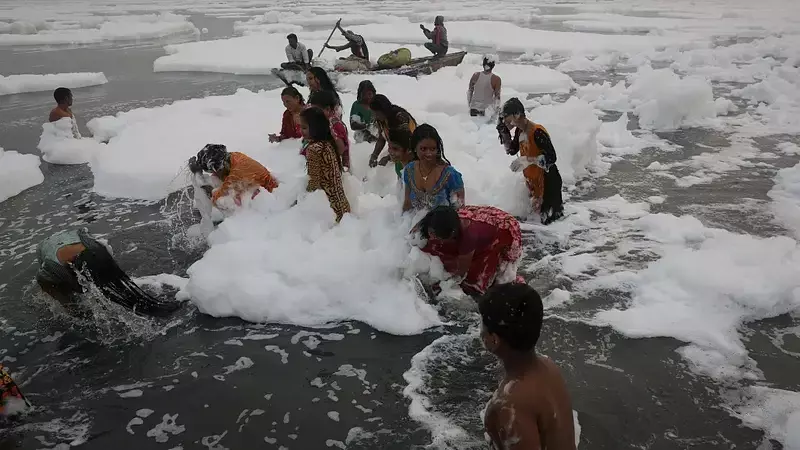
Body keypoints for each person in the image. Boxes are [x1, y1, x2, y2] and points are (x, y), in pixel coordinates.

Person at [480, 283, 576, 450]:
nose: (480, 331)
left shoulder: (509, 406)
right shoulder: (548, 367)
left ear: (494, 340)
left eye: (482, 326)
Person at [35, 228, 184, 317]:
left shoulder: (95, 246)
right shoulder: (50, 269)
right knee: (73, 301)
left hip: (71, 241)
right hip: (55, 257)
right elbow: (66, 304)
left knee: (108, 282)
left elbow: (108, 270)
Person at [416, 205, 522, 296]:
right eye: (431, 232)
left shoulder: (469, 236)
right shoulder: (438, 218)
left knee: (474, 282)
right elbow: (424, 225)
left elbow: (461, 272)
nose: (431, 236)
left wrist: (444, 284)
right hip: (481, 217)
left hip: (503, 228)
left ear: (451, 235)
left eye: (434, 235)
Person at [498, 98, 564, 225]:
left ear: (517, 114)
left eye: (506, 116)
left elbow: (552, 158)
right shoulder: (519, 131)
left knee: (550, 224)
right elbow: (511, 150)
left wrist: (528, 160)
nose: (504, 119)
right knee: (535, 224)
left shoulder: (537, 131)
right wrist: (503, 132)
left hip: (549, 181)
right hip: (534, 182)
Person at [300, 107, 351, 222]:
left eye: (304, 127)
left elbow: (314, 182)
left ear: (316, 128)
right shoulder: (328, 143)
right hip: (343, 207)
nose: (301, 131)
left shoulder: (313, 149)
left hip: (331, 212)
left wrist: (303, 198)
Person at [189, 144, 279, 208]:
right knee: (216, 179)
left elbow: (216, 198)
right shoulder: (232, 157)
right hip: (253, 183)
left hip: (268, 196)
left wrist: (198, 174)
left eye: (212, 170)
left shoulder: (237, 173)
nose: (212, 172)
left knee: (223, 201)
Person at [403, 124, 464, 212]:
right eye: (423, 149)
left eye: (433, 149)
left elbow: (460, 211)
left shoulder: (450, 175)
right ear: (415, 148)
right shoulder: (409, 170)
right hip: (412, 221)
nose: (429, 154)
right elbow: (407, 205)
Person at [369, 94, 417, 168]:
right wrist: (374, 156)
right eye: (374, 114)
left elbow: (407, 143)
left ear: (384, 110)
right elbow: (382, 138)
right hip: (399, 154)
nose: (375, 117)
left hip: (412, 153)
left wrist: (388, 158)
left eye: (377, 114)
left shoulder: (399, 118)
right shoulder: (381, 119)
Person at [309, 90, 350, 171]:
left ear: (327, 109)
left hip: (337, 164)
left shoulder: (335, 125)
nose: (313, 114)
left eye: (316, 111)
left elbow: (341, 149)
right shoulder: (322, 121)